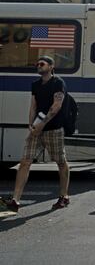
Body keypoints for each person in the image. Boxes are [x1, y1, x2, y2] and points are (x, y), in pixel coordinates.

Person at [0, 56, 70, 213]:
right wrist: (31, 125)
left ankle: (64, 196)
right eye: (37, 63)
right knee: (25, 162)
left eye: (42, 64)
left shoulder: (58, 83)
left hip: (54, 129)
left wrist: (42, 124)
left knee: (60, 162)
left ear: (51, 67)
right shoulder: (35, 85)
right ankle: (15, 201)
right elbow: (33, 106)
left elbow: (56, 106)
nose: (38, 66)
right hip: (36, 130)